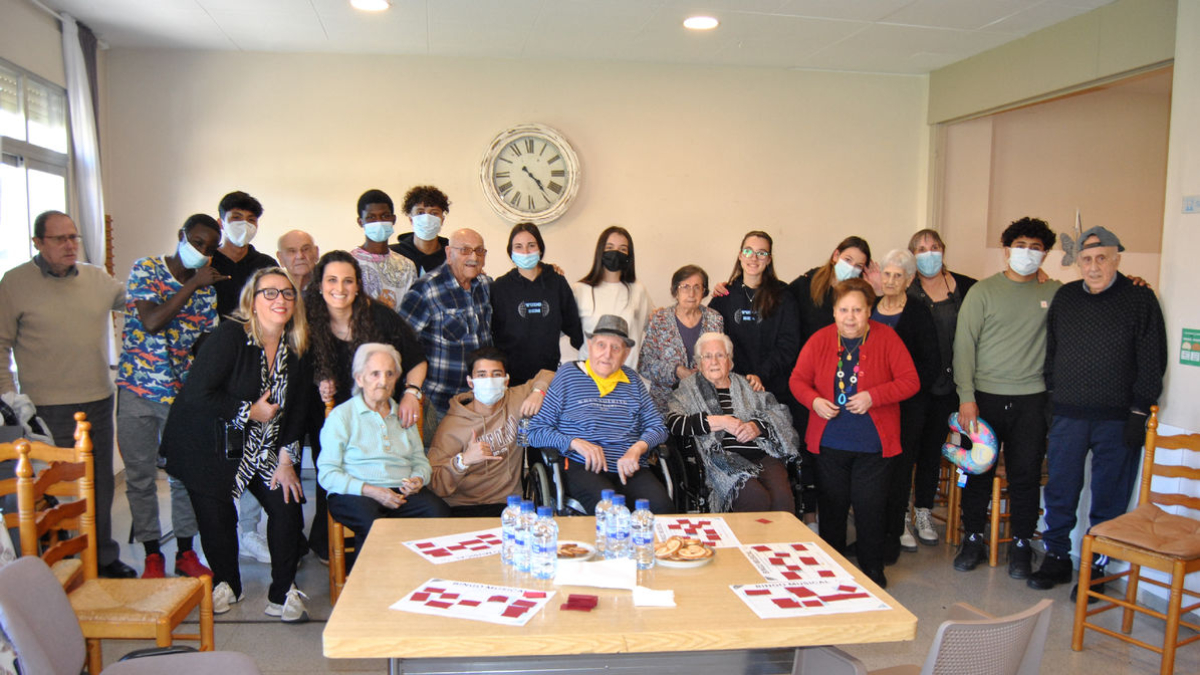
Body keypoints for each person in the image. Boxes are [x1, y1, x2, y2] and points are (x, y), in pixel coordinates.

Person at [162, 267, 313, 623]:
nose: (280, 300)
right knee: (217, 518)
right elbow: (197, 395)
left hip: (264, 447)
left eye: (287, 293)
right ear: (252, 301)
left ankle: (283, 592)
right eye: (269, 292)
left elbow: (298, 410)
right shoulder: (230, 336)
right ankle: (227, 583)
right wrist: (248, 411)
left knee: (287, 504)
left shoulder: (298, 346)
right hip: (208, 443)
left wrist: (287, 461)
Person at [1028, 226, 1167, 597]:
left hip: (1118, 419)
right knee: (1060, 490)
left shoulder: (1140, 299)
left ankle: (1097, 570)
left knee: (1110, 498)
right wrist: (1053, 398)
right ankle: (1057, 557)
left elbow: (1153, 360)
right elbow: (1052, 351)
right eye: (1086, 259)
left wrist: (1140, 412)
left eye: (1102, 258)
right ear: (1078, 263)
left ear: (1116, 259)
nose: (1093, 266)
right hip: (1067, 415)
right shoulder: (1066, 297)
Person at [0, 210, 136, 578]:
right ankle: (61, 561)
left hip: (96, 398)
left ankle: (102, 557)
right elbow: (0, 344)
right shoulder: (14, 283)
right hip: (45, 406)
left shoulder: (96, 278)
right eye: (59, 239)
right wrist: (10, 398)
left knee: (99, 481)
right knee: (53, 486)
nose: (69, 245)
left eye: (73, 237)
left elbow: (138, 303)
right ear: (38, 242)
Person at [789, 279, 919, 589]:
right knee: (832, 508)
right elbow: (797, 380)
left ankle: (872, 569)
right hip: (830, 442)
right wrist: (814, 401)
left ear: (869, 311)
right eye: (844, 310)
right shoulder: (820, 339)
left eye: (857, 310)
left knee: (870, 508)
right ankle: (832, 569)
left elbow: (910, 381)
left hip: (873, 445)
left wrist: (875, 396)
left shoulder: (887, 338)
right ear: (834, 311)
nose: (850, 317)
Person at [115, 214, 225, 579]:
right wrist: (193, 283)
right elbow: (152, 322)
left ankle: (185, 552)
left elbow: (204, 346)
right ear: (181, 236)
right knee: (140, 477)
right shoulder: (146, 269)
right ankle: (151, 554)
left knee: (183, 476)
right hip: (136, 390)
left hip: (181, 396)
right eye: (197, 242)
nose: (202, 251)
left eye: (209, 248)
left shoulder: (207, 292)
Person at [952, 217, 1060, 579]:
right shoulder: (983, 292)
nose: (1027, 253)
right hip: (983, 400)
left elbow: (1088, 299)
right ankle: (972, 538)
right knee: (977, 472)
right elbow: (964, 347)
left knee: (1025, 475)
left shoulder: (1054, 293)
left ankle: (1021, 544)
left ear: (1045, 254)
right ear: (1006, 250)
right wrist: (966, 396)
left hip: (1032, 401)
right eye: (1020, 246)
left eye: (1035, 248)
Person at [304, 250, 428, 560]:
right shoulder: (306, 319)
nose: (340, 288)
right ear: (319, 285)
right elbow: (296, 369)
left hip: (380, 411)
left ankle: (385, 557)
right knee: (333, 472)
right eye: (332, 280)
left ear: (358, 285)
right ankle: (334, 550)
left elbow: (416, 359)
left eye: (348, 281)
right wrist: (318, 381)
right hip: (331, 413)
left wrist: (411, 393)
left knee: (383, 478)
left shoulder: (379, 316)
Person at [527, 315, 671, 514]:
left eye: (616, 348)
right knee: (611, 510)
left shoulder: (632, 380)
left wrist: (637, 449)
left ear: (626, 353)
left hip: (629, 465)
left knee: (662, 507)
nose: (607, 354)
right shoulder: (568, 375)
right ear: (590, 346)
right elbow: (535, 431)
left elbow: (658, 427)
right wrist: (575, 442)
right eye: (601, 345)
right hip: (581, 465)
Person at [319, 343, 450, 560]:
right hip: (356, 492)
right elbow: (327, 473)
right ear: (359, 378)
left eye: (390, 374)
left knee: (439, 512)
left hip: (401, 491)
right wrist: (372, 491)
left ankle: (419, 574)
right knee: (374, 525)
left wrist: (418, 478)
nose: (383, 381)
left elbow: (420, 460)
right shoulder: (342, 416)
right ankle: (370, 581)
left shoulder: (403, 413)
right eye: (375, 374)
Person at [708, 232, 806, 513]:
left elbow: (789, 344)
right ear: (740, 255)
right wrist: (738, 380)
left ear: (769, 259)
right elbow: (713, 343)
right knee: (747, 476)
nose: (754, 258)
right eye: (749, 251)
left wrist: (761, 374)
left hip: (772, 391)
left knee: (774, 470)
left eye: (761, 252)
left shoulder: (784, 296)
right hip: (732, 393)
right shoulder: (724, 296)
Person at [666, 332, 798, 512]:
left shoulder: (748, 384)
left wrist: (757, 426)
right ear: (699, 363)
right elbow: (674, 422)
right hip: (720, 459)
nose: (714, 361)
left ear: (730, 361)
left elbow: (780, 413)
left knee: (782, 500)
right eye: (707, 356)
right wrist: (720, 422)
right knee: (756, 498)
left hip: (761, 453)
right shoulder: (687, 389)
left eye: (720, 355)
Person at [904, 229, 976, 546]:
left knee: (932, 453)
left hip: (948, 387)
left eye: (934, 247)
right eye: (921, 249)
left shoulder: (967, 287)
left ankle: (923, 511)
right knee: (905, 454)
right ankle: (900, 515)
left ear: (943, 250)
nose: (929, 253)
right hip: (912, 389)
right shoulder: (905, 288)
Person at [427, 347, 554, 517]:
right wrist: (464, 460)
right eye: (482, 375)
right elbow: (435, 484)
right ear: (471, 382)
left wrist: (538, 393)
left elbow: (548, 374)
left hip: (509, 504)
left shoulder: (515, 399)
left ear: (506, 380)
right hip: (463, 506)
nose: (489, 381)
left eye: (496, 374)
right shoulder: (451, 426)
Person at [871, 249, 939, 562]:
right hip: (870, 406)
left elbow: (930, 364)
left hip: (906, 407)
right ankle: (874, 531)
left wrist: (898, 390)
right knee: (874, 470)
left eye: (898, 275)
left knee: (899, 470)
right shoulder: (870, 307)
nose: (890, 280)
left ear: (909, 280)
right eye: (886, 274)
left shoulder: (919, 313)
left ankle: (896, 529)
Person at [399, 228, 492, 438]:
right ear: (449, 253)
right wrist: (410, 391)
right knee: (435, 457)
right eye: (465, 250)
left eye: (479, 251)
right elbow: (401, 342)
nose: (473, 257)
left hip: (478, 403)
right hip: (439, 405)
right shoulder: (426, 288)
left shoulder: (485, 286)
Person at [489, 222, 583, 386]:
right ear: (510, 252)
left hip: (548, 376)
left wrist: (595, 355)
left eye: (531, 245)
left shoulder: (556, 282)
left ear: (540, 248)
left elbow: (573, 324)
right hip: (511, 378)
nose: (525, 252)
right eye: (518, 247)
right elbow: (492, 333)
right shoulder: (500, 287)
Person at [639, 265, 724, 414]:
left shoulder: (715, 319)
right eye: (685, 287)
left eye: (697, 287)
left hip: (704, 406)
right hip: (664, 407)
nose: (691, 293)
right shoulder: (660, 319)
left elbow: (723, 360)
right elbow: (644, 364)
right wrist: (676, 371)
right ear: (675, 291)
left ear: (704, 292)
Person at [572, 227, 654, 369]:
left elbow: (653, 325)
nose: (615, 253)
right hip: (587, 375)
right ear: (600, 251)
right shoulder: (580, 290)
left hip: (626, 374)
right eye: (609, 247)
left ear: (629, 255)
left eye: (622, 249)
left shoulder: (638, 289)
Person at [790, 236, 873, 346]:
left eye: (858, 266)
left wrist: (876, 291)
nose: (851, 268)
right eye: (848, 260)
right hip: (807, 351)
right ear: (836, 255)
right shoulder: (807, 283)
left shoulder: (861, 295)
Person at [211, 191, 278, 319]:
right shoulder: (208, 261)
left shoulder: (266, 265)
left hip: (254, 330)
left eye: (251, 219)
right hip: (213, 331)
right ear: (221, 223)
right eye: (236, 217)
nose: (244, 224)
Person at [350, 189, 417, 309]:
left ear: (393, 219)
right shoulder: (350, 263)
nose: (379, 222)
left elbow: (411, 310)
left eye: (385, 216)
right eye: (371, 217)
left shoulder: (407, 266)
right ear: (360, 222)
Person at [390, 185, 450, 276]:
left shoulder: (452, 255)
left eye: (434, 213)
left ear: (442, 220)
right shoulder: (394, 254)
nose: (427, 218)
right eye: (420, 213)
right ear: (411, 219)